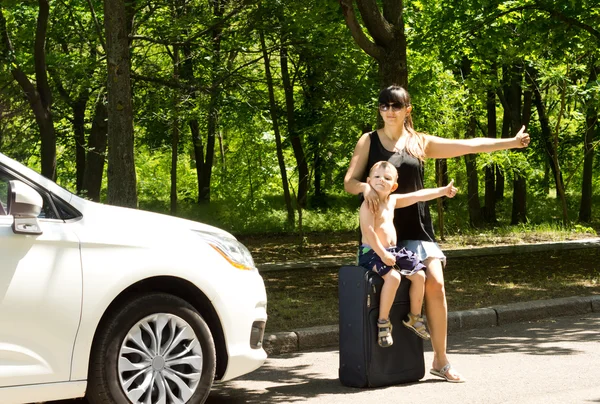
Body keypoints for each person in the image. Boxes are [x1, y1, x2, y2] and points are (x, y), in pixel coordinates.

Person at [344, 85, 530, 383]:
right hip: (382, 231)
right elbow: (350, 181)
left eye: (396, 105)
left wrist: (512, 142)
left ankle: (440, 361)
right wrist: (366, 187)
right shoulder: (368, 140)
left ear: (408, 109)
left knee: (436, 284)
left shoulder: (419, 142)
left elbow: (469, 145)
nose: (389, 111)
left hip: (417, 227)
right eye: (384, 106)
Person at [358, 160, 457, 348]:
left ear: (394, 186)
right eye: (377, 177)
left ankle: (414, 317)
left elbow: (418, 195)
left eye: (387, 178)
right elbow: (369, 232)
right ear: (369, 181)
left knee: (420, 275)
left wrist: (443, 191)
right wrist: (383, 254)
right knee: (393, 277)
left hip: (392, 252)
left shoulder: (392, 200)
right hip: (371, 252)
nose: (381, 180)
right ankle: (383, 323)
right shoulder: (368, 204)